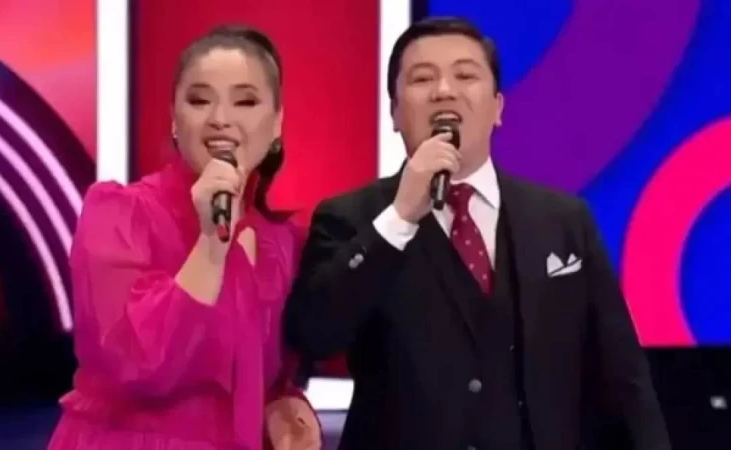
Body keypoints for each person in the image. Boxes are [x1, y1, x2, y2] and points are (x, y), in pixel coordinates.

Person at [284, 16, 670, 450]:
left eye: (465, 75)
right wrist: (400, 218)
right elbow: (313, 334)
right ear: (394, 112)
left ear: (498, 107)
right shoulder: (351, 218)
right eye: (422, 78)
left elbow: (623, 377)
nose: (444, 90)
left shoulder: (563, 220)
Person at [47, 26, 321, 450]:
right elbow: (137, 364)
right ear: (175, 120)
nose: (220, 118)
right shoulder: (120, 214)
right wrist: (211, 245)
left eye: (245, 101)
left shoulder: (281, 244)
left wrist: (284, 407)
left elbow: (267, 377)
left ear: (276, 123)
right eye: (199, 100)